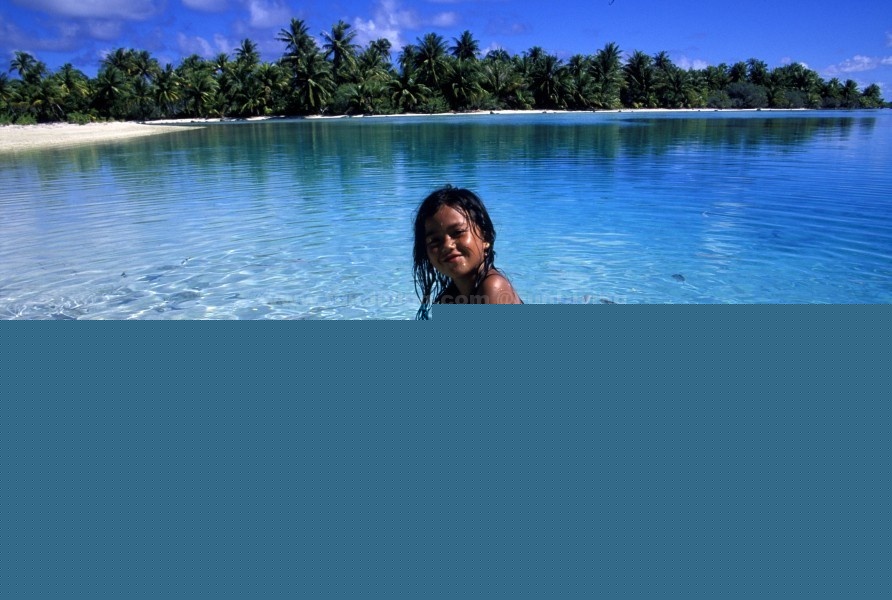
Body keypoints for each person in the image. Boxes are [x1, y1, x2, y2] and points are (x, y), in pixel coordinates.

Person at [413, 185, 522, 319]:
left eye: (458, 232)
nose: (447, 245)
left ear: (486, 238)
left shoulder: (493, 287)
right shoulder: (450, 299)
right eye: (435, 240)